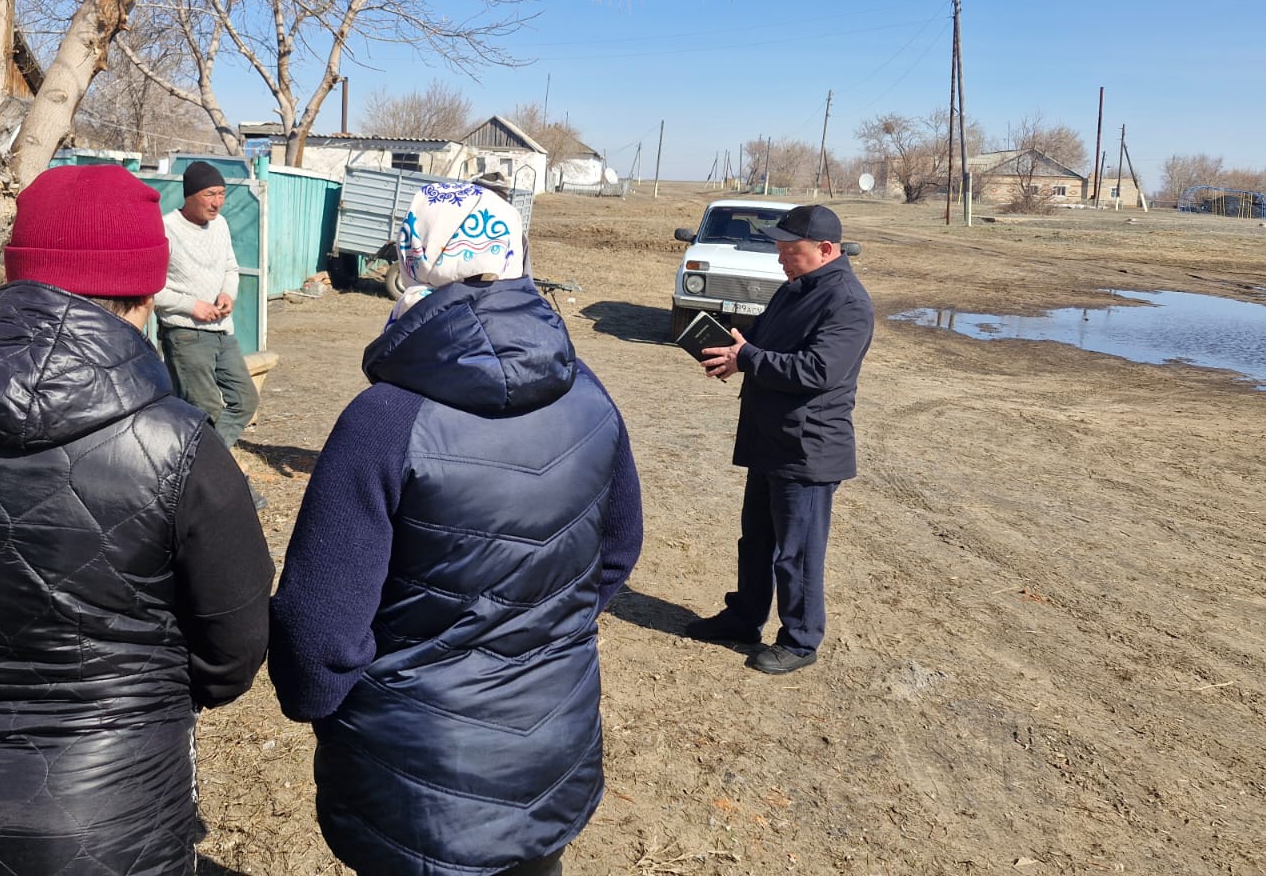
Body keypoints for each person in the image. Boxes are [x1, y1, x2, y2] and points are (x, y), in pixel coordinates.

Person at [0, 164, 273, 876]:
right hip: (110, 815)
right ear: (148, 285)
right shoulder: (179, 441)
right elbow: (236, 641)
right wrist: (149, 691)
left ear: (14, 270)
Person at [269, 182, 643, 876]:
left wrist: (322, 706)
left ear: (409, 264)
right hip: (549, 747)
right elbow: (618, 550)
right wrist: (538, 632)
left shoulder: (383, 419)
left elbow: (317, 629)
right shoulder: (587, 391)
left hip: (415, 769)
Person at [686, 203, 874, 676]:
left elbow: (819, 370)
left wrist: (748, 357)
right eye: (779, 248)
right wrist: (735, 354)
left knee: (798, 552)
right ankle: (745, 617)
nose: (780, 258)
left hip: (807, 447)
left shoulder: (847, 301)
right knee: (756, 540)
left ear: (826, 249)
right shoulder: (796, 288)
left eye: (791, 250)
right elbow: (765, 346)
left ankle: (800, 639)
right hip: (769, 437)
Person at [155, 160, 263, 505]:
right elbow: (150, 288)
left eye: (222, 194)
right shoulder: (165, 229)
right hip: (186, 334)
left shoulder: (221, 225)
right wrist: (191, 305)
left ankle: (205, 473)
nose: (217, 202)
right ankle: (219, 487)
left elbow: (231, 267)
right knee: (203, 410)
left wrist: (227, 293)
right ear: (190, 195)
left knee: (245, 400)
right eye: (210, 194)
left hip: (221, 331)